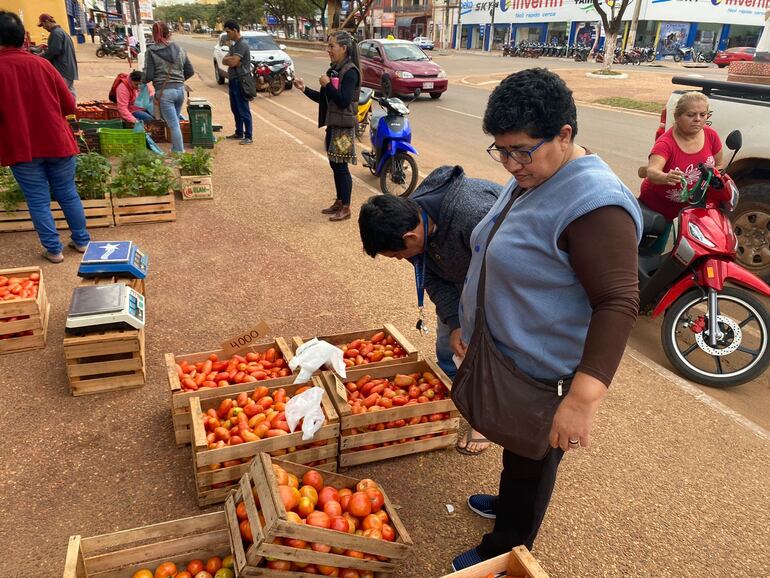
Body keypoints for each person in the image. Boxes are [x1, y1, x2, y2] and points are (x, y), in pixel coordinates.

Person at [450, 68, 642, 571]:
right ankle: (508, 506)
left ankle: (509, 543)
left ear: (565, 135)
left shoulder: (595, 205)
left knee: (535, 458)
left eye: (521, 150)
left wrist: (582, 399)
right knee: (520, 446)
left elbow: (619, 302)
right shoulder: (539, 173)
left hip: (547, 372)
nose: (511, 164)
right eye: (501, 150)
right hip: (513, 356)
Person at [358, 166, 501, 455]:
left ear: (410, 238)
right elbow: (432, 277)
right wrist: (455, 321)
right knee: (450, 344)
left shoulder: (472, 215)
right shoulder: (414, 229)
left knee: (488, 350)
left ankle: (484, 419)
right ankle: (455, 399)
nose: (400, 260)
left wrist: (479, 322)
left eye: (398, 255)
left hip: (497, 280)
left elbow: (508, 269)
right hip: (457, 276)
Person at [0, 11, 90, 263]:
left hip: (21, 147)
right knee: (67, 192)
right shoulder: (42, 65)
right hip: (57, 141)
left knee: (37, 199)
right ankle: (82, 241)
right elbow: (69, 105)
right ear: (21, 37)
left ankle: (54, 250)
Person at [294, 31, 361, 222]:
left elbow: (343, 100)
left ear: (344, 48)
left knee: (341, 168)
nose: (328, 50)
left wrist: (328, 85)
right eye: (328, 46)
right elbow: (325, 100)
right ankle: (340, 201)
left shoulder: (350, 72)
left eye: (332, 46)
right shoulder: (335, 70)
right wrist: (304, 88)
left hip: (343, 126)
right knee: (335, 165)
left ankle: (346, 207)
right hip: (333, 124)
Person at [639, 92, 723, 222]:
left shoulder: (711, 136)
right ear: (677, 116)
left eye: (703, 114)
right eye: (691, 115)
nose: (698, 119)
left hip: (692, 209)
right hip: (658, 209)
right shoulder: (665, 143)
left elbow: (719, 165)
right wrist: (666, 177)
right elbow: (652, 172)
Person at [143, 22, 193, 153]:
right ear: (169, 33)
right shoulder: (180, 49)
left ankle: (178, 152)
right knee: (174, 121)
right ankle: (176, 148)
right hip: (180, 91)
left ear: (154, 35)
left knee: (173, 124)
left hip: (165, 93)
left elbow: (148, 75)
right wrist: (178, 81)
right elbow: (190, 71)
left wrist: (141, 79)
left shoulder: (151, 51)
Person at [222, 20, 253, 145]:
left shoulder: (242, 44)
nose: (227, 34)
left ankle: (249, 136)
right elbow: (224, 60)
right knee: (235, 108)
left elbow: (233, 62)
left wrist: (231, 60)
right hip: (233, 80)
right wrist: (230, 59)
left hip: (241, 80)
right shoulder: (234, 45)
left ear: (235, 30)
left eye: (228, 32)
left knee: (243, 109)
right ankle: (239, 132)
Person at [38, 13, 78, 98]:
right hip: (67, 68)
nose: (44, 28)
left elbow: (54, 51)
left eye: (43, 25)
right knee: (70, 91)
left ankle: (70, 110)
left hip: (63, 68)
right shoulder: (60, 31)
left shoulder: (56, 33)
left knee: (63, 93)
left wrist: (40, 57)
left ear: (47, 21)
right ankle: (73, 109)